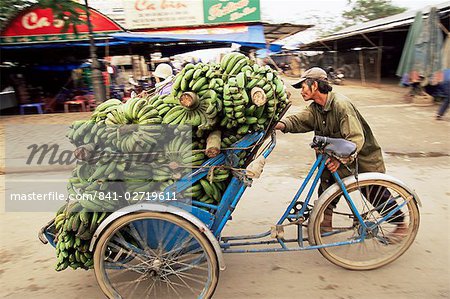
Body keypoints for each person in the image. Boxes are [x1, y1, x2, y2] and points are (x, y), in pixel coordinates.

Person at [275, 67, 406, 238]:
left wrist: (339, 159)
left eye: (303, 87)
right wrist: (277, 125)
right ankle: (326, 223)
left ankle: (401, 225)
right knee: (326, 186)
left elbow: (355, 139)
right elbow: (298, 120)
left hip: (362, 160)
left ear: (314, 86)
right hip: (337, 159)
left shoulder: (341, 105)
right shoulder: (317, 108)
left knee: (375, 193)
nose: (301, 91)